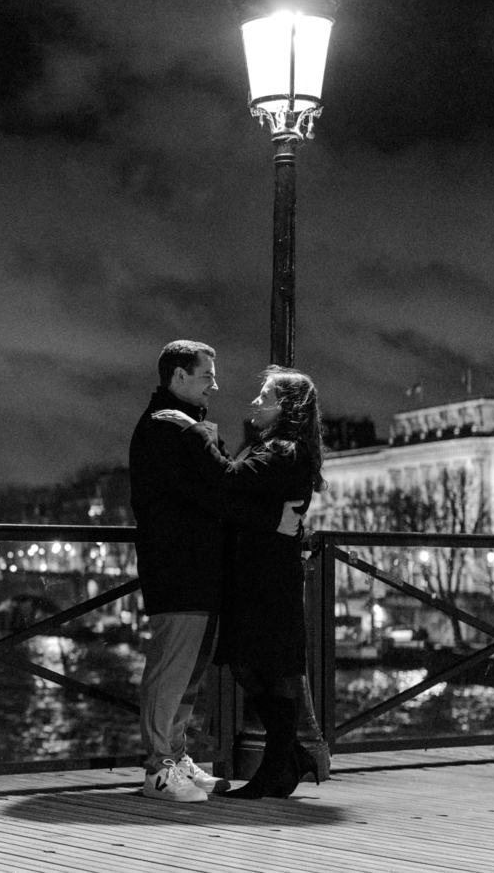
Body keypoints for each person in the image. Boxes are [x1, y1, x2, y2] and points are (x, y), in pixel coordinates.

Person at [129, 340, 299, 804]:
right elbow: (215, 490)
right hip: (180, 568)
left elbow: (216, 487)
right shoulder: (169, 428)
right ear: (178, 377)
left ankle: (175, 756)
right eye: (207, 375)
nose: (216, 384)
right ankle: (158, 769)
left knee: (187, 672)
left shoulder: (180, 425)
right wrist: (272, 521)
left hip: (197, 568)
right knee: (172, 670)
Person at [155, 364, 326, 799]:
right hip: (255, 573)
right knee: (255, 665)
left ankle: (278, 764)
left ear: (286, 407)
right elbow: (234, 493)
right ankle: (288, 759)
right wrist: (274, 520)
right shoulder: (273, 447)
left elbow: (227, 480)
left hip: (267, 577)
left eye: (264, 395)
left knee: (267, 667)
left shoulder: (287, 450)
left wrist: (195, 432)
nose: (254, 401)